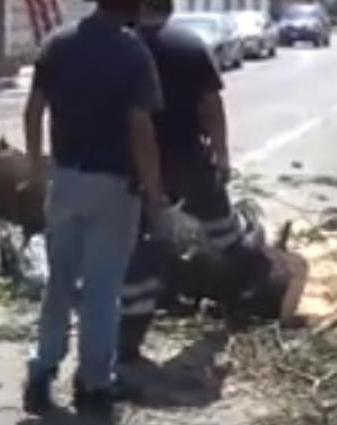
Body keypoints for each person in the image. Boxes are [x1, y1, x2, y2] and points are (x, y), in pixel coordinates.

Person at [21, 0, 166, 414]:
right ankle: (94, 382)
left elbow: (33, 111)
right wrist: (154, 195)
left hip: (65, 180)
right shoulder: (132, 53)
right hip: (114, 187)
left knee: (59, 282)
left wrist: (35, 170)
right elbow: (142, 133)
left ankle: (42, 369)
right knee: (102, 290)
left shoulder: (57, 44)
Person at [118, 0, 270, 363]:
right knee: (224, 231)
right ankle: (249, 290)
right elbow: (211, 107)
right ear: (169, 9)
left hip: (135, 163)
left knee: (142, 248)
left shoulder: (124, 46)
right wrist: (221, 156)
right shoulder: (188, 45)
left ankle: (129, 345)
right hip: (187, 158)